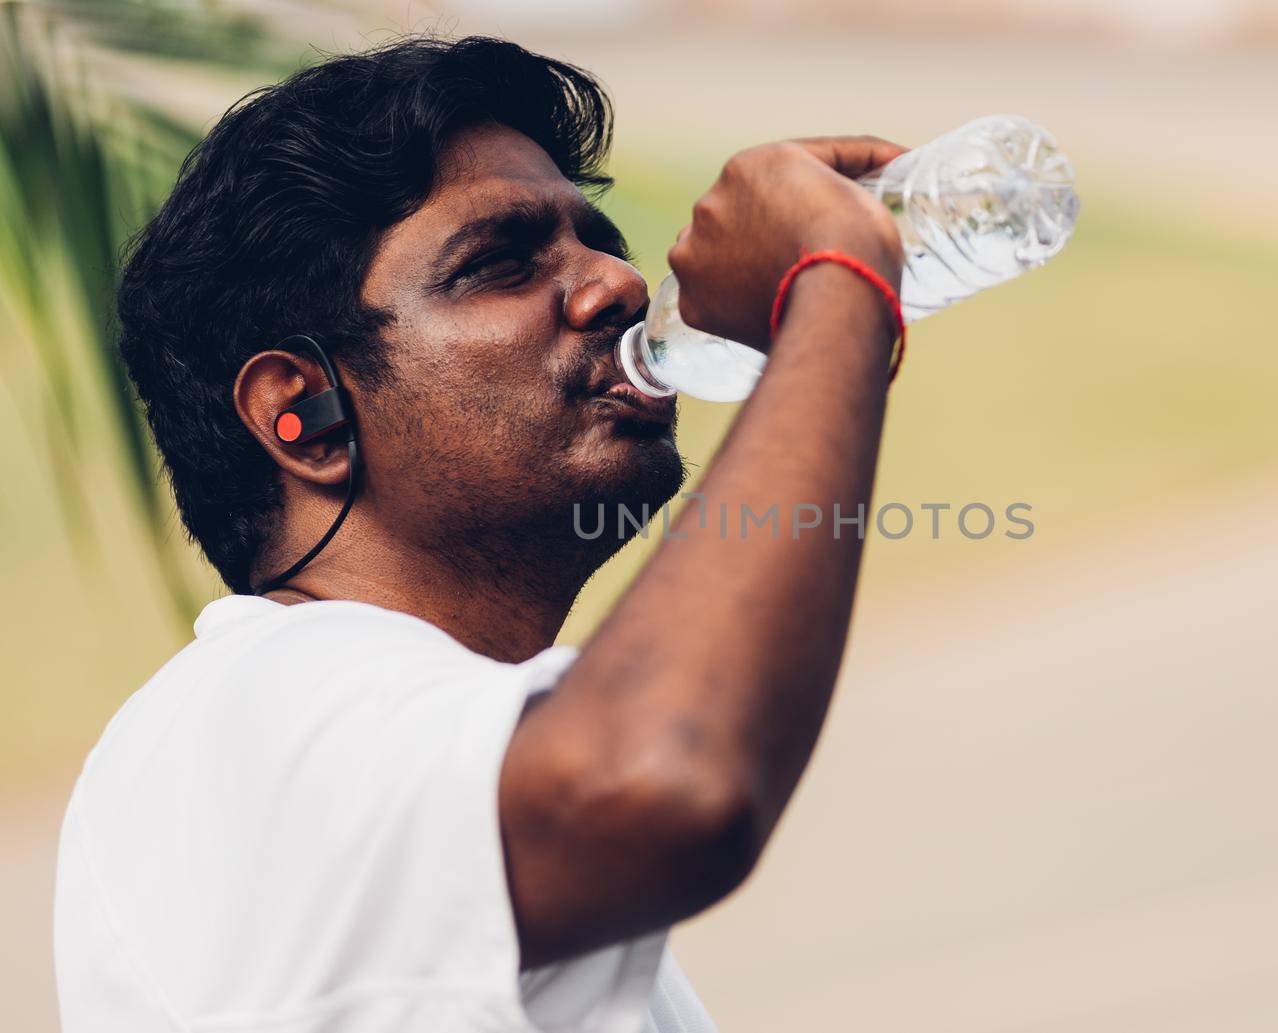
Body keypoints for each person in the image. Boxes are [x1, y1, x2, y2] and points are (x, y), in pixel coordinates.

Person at [53, 34, 907, 1033]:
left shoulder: (422, 730)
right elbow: (673, 777)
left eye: (600, 242)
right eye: (499, 263)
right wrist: (837, 284)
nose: (617, 285)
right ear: (303, 414)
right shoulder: (254, 714)